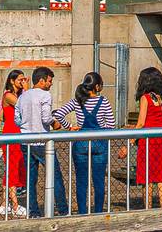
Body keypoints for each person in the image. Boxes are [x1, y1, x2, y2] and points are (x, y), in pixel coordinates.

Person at [55, 71, 116, 215]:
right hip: (100, 143)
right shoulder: (104, 101)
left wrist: (69, 127)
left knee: (81, 180)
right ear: (96, 87)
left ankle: (82, 211)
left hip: (81, 143)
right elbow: (111, 125)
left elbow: (58, 114)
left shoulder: (78, 100)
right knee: (99, 181)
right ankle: (99, 212)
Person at [19, 66, 68, 218]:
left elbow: (16, 118)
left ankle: (33, 211)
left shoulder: (23, 96)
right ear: (41, 81)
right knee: (55, 175)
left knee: (31, 179)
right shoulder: (45, 95)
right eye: (49, 81)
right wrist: (55, 123)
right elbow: (46, 117)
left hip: (26, 140)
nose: (50, 84)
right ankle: (62, 210)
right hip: (41, 141)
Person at [134, 67, 162, 209]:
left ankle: (148, 208)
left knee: (147, 178)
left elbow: (140, 123)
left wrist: (130, 141)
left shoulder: (145, 98)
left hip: (148, 141)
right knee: (161, 178)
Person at [0, 70, 27, 218]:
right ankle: (14, 205)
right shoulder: (8, 96)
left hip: (19, 133)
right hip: (10, 134)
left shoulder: (20, 95)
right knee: (12, 169)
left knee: (14, 168)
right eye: (20, 80)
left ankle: (4, 203)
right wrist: (27, 90)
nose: (23, 82)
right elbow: (24, 106)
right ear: (12, 81)